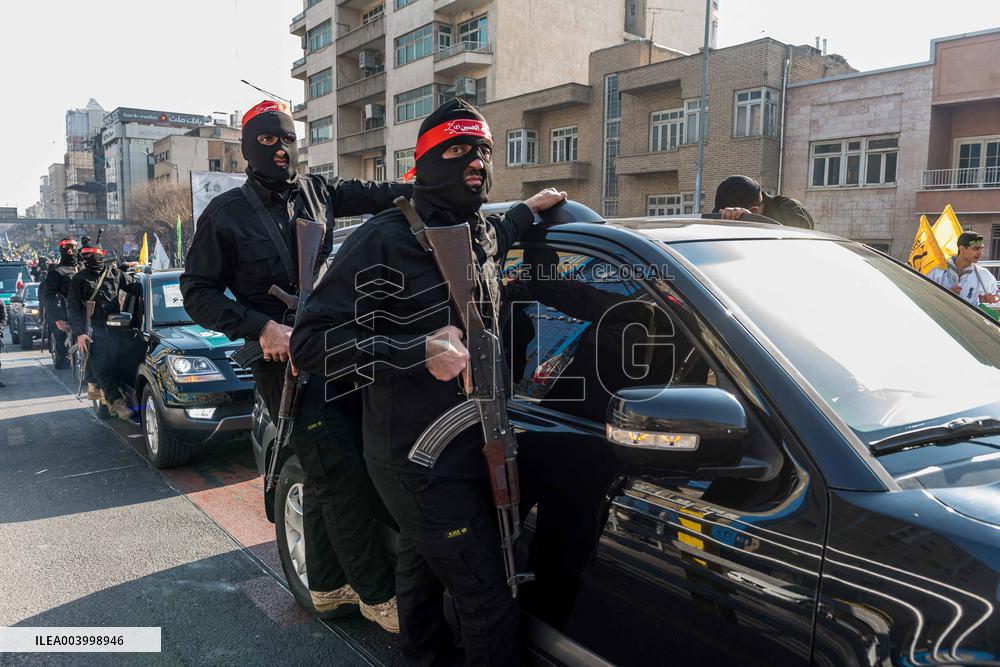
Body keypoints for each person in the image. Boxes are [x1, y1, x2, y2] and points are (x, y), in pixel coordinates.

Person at [290, 98, 567, 666]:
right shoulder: (383, 238)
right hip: (414, 458)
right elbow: (310, 344)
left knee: (421, 571)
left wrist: (531, 208)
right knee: (487, 597)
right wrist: (415, 352)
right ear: (428, 161)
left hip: (473, 444)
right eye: (460, 150)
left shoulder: (476, 228)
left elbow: (500, 231)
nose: (477, 164)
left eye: (484, 151)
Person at [179, 99, 410, 629]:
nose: (281, 150)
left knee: (335, 472)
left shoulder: (318, 191)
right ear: (249, 147)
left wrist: (443, 185)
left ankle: (326, 585)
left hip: (335, 349)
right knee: (338, 474)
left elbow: (385, 194)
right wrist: (261, 327)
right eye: (268, 141)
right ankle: (378, 595)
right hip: (282, 364)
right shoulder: (225, 214)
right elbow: (196, 291)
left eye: (287, 139)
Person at [67, 246, 143, 420]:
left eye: (91, 255)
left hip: (117, 329)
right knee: (103, 367)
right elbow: (73, 308)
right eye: (86, 256)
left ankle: (118, 397)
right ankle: (117, 402)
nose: (89, 259)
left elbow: (137, 288)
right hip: (93, 332)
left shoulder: (115, 274)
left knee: (118, 366)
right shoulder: (79, 279)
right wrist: (80, 333)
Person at [41, 238, 80, 382]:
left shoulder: (83, 267)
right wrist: (57, 319)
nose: (70, 251)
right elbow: (48, 297)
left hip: (89, 315)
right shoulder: (57, 272)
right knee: (62, 345)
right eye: (66, 248)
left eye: (72, 247)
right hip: (68, 315)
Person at [712, 175, 814, 229]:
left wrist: (752, 220)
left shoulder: (791, 210)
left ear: (754, 210)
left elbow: (797, 247)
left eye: (734, 219)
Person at [927, 232, 1000, 307]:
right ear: (962, 249)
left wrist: (992, 299)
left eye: (982, 248)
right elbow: (924, 295)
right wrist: (945, 296)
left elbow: (997, 294)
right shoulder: (938, 271)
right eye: (976, 249)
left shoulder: (982, 274)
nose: (981, 253)